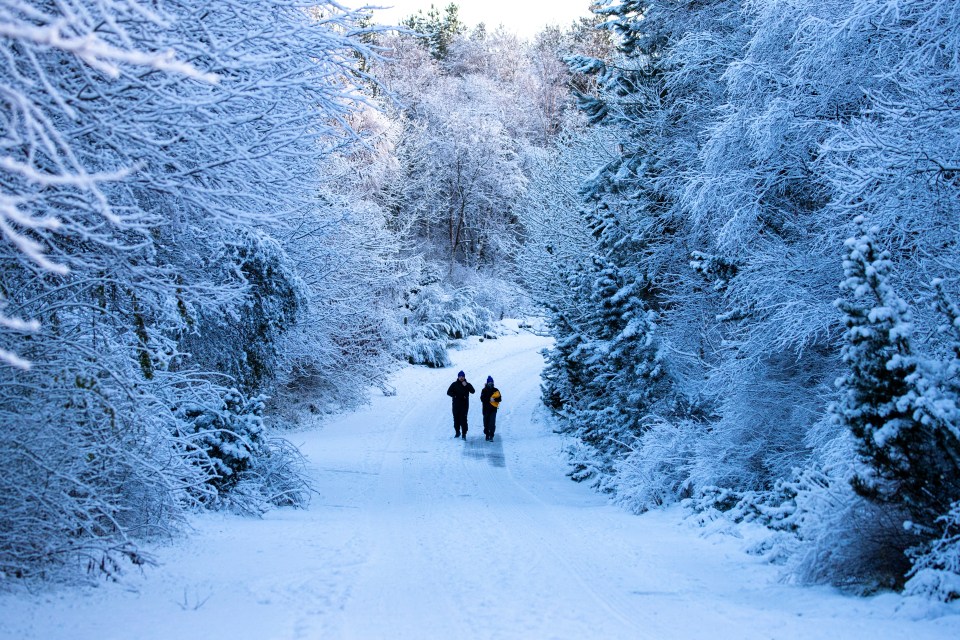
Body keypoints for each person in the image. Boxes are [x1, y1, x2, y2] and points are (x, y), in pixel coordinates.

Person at [446, 370, 475, 440]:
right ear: (458, 377)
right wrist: (454, 395)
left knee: (463, 419)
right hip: (456, 405)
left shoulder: (467, 384)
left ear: (464, 377)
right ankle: (457, 432)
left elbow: (473, 391)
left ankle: (464, 434)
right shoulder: (454, 384)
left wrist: (467, 385)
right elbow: (448, 392)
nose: (461, 378)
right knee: (456, 419)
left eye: (462, 376)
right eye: (460, 376)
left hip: (464, 405)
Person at [480, 375, 502, 442]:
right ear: (487, 383)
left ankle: (491, 435)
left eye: (491, 382)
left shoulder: (496, 390)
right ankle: (487, 434)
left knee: (492, 423)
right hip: (485, 410)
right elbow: (482, 399)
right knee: (486, 423)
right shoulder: (484, 390)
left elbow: (500, 398)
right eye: (489, 382)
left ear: (493, 383)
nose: (490, 383)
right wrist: (489, 399)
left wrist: (494, 399)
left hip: (493, 409)